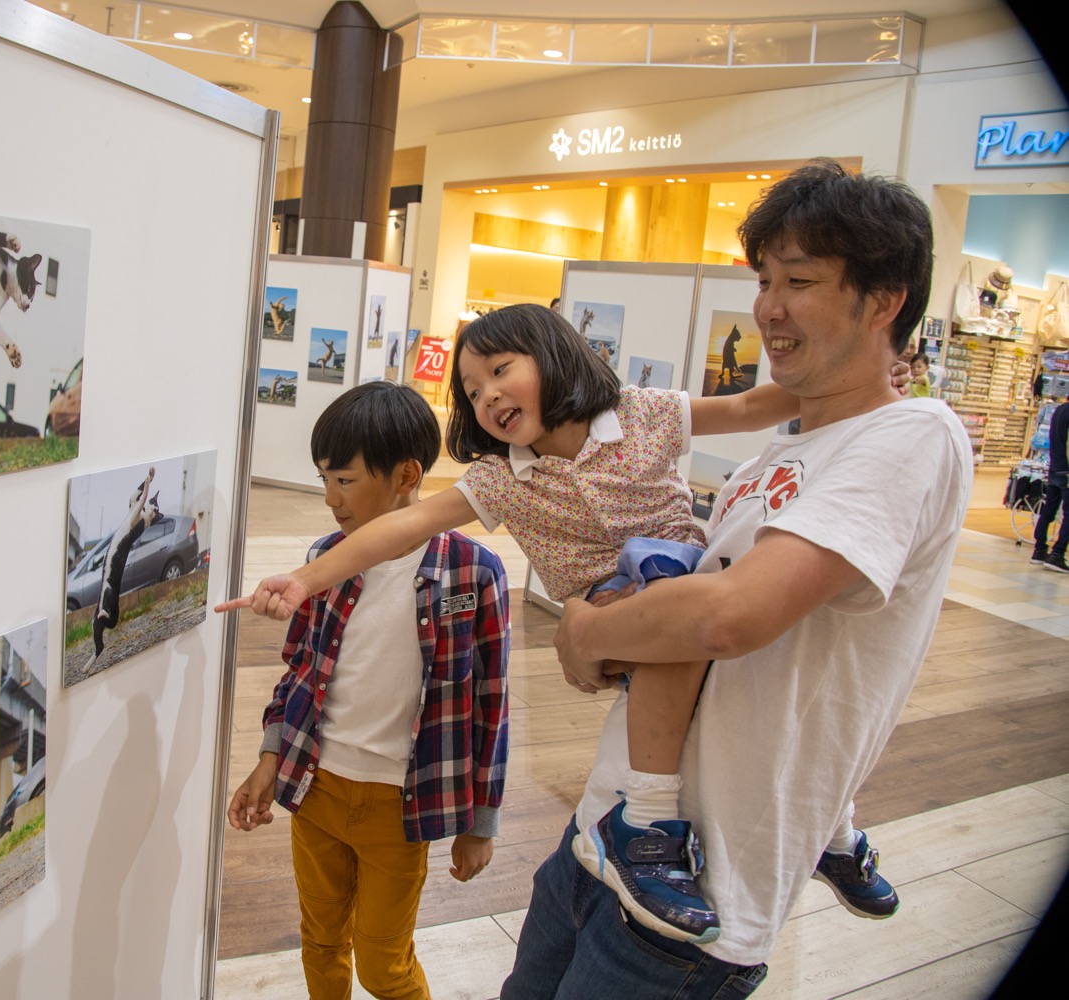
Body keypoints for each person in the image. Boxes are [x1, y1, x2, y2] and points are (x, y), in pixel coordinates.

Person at [219, 300, 850, 944]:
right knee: (701, 689)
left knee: (762, 684)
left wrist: (841, 386)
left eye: (500, 370)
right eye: (471, 390)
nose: (488, 394)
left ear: (553, 356)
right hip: (614, 613)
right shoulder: (501, 479)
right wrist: (303, 581)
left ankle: (828, 823)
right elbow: (403, 528)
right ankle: (664, 821)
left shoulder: (642, 414)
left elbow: (745, 410)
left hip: (678, 578)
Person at [522, 159, 971, 998]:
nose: (769, 305)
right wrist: (626, 622)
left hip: (702, 897)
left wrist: (583, 629)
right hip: (604, 838)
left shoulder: (914, 436)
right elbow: (688, 609)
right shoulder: (788, 447)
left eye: (799, 280)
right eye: (765, 278)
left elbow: (730, 616)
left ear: (884, 302)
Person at [224, 381, 510, 1000]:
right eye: (324, 479)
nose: (330, 499)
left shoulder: (472, 572)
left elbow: (491, 705)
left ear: (406, 474)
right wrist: (269, 760)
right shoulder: (325, 560)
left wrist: (480, 821)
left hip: (400, 806)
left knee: (385, 965)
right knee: (321, 944)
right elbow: (299, 670)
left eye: (345, 481)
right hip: (317, 789)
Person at [1031, 397, 1069, 572]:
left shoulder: (1059, 410)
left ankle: (1039, 550)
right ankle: (1057, 554)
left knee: (1048, 510)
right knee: (1068, 515)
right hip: (1066, 470)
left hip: (1054, 466)